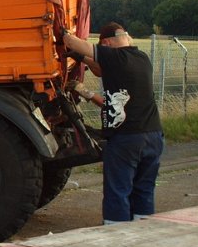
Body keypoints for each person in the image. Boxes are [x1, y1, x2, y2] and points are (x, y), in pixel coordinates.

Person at [62, 22, 164, 224]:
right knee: (143, 191)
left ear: (107, 43)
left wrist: (63, 32)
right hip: (153, 136)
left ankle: (115, 235)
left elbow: (73, 42)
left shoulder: (115, 56)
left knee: (117, 192)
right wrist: (82, 64)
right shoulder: (141, 59)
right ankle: (144, 233)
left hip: (126, 140)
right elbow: (100, 70)